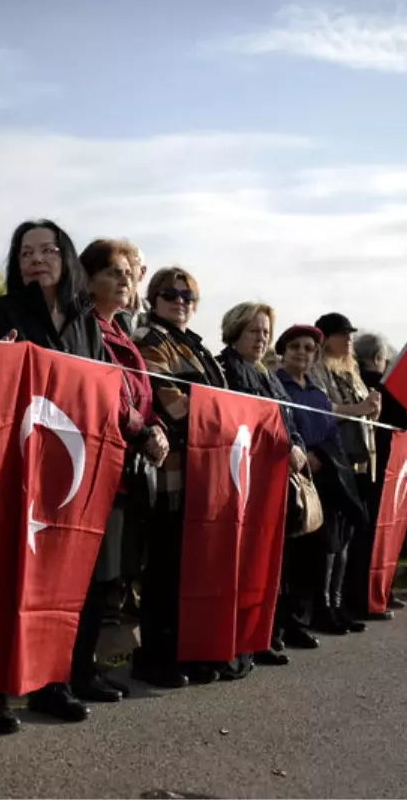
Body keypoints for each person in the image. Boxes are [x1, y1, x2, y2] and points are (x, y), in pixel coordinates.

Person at [0, 219, 104, 729]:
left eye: (47, 249)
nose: (36, 259)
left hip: (67, 467)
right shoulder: (1, 311)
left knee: (65, 578)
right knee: (7, 577)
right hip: (18, 464)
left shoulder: (85, 320)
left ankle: (54, 684)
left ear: (66, 258)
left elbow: (94, 388)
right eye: (25, 252)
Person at [71, 239, 169, 702]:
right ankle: (76, 670)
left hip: (126, 467)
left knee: (109, 576)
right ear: (87, 279)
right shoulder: (85, 329)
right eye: (114, 272)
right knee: (90, 576)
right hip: (95, 465)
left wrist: (154, 427)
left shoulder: (122, 333)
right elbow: (102, 391)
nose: (126, 281)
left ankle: (87, 664)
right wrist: (141, 428)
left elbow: (139, 397)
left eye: (130, 274)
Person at [131, 266, 228, 688]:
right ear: (153, 297)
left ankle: (187, 652)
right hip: (171, 474)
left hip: (205, 475)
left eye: (188, 296)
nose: (180, 301)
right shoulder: (149, 340)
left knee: (192, 570)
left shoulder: (196, 347)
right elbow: (173, 406)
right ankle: (155, 657)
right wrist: (226, 422)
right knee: (164, 571)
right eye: (170, 293)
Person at [215, 304, 310, 673]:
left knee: (270, 565)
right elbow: (243, 423)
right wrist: (285, 445)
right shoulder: (227, 369)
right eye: (255, 331)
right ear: (236, 330)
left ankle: (261, 636)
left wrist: (296, 444)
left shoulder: (267, 374)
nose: (262, 339)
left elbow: (287, 418)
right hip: (244, 481)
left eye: (266, 332)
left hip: (275, 480)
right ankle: (235, 643)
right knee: (241, 565)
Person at [275, 325, 367, 648]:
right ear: (283, 352)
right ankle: (285, 623)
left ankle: (310, 615)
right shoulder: (278, 386)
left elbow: (331, 434)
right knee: (291, 556)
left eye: (308, 348)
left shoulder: (316, 394)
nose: (302, 352)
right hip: (291, 478)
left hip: (322, 480)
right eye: (295, 347)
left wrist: (325, 459)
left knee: (317, 553)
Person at [310, 314, 383, 625]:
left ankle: (338, 602)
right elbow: (322, 410)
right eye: (342, 333)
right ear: (325, 337)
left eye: (350, 333)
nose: (349, 339)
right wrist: (360, 409)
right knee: (331, 539)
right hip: (334, 461)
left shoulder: (350, 368)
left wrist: (372, 408)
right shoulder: (318, 367)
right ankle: (323, 605)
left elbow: (364, 411)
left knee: (348, 536)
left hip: (360, 460)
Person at [353, 332, 407, 610]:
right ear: (378, 359)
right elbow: (406, 417)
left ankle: (376, 591)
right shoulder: (379, 385)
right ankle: (371, 594)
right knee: (374, 534)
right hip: (380, 468)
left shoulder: (353, 379)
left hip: (363, 467)